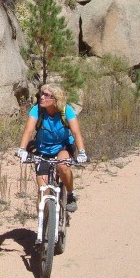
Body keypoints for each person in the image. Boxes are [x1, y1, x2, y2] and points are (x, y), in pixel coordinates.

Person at [16, 83, 87, 212]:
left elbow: (76, 132)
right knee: (43, 192)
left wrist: (82, 152)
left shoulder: (66, 111)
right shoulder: (37, 110)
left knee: (62, 165)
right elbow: (28, 130)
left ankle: (70, 194)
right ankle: (43, 221)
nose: (42, 97)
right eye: (41, 94)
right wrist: (22, 149)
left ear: (56, 98)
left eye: (46, 95)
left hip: (63, 146)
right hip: (43, 150)